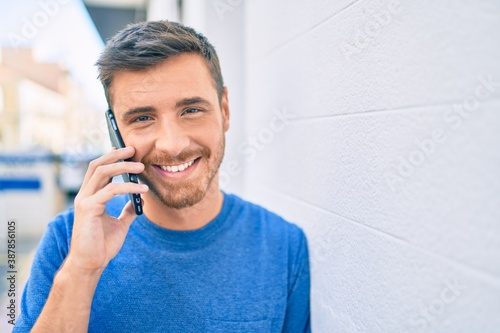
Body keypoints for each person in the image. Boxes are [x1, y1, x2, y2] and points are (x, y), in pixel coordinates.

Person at [13, 20, 310, 333]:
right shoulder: (68, 240)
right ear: (116, 132)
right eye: (142, 118)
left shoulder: (283, 247)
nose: (172, 144)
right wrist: (82, 271)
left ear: (224, 110)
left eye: (192, 110)